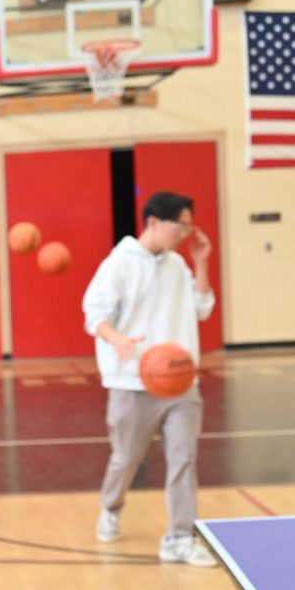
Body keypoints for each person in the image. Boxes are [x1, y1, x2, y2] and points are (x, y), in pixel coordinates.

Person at [82, 190, 217, 568]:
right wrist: (118, 339)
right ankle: (110, 507)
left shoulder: (178, 264)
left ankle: (178, 538)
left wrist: (201, 263)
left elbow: (203, 308)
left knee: (183, 459)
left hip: (180, 382)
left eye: (190, 226)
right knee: (126, 459)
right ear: (155, 222)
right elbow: (93, 315)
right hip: (131, 382)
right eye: (181, 226)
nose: (186, 233)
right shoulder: (118, 264)